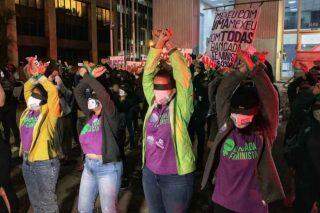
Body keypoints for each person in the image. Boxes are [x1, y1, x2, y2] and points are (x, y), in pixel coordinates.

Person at [201, 54, 284, 212]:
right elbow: (222, 95)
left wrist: (255, 71)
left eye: (245, 114)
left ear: (256, 113)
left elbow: (270, 99)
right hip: (222, 202)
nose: (239, 119)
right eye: (236, 113)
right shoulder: (227, 126)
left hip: (252, 206)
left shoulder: (264, 133)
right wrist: (239, 73)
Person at [142, 29, 195, 213]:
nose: (158, 91)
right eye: (156, 87)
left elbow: (184, 78)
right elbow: (147, 77)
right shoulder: (152, 103)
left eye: (163, 87)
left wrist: (170, 47)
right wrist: (158, 45)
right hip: (150, 175)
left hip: (175, 178)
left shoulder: (181, 107)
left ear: (173, 89)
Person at [74, 63, 123, 213]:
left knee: (108, 210)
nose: (92, 100)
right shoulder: (90, 115)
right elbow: (78, 92)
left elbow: (101, 92)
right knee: (83, 208)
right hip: (89, 166)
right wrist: (90, 78)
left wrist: (87, 76)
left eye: (95, 97)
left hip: (107, 168)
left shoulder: (111, 116)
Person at [19, 56, 61, 212]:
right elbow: (27, 88)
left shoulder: (50, 113)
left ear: (44, 100)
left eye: (37, 96)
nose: (32, 98)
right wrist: (33, 76)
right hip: (27, 161)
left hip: (44, 163)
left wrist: (41, 77)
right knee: (35, 203)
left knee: (48, 204)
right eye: (32, 96)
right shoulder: (28, 111)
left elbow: (52, 92)